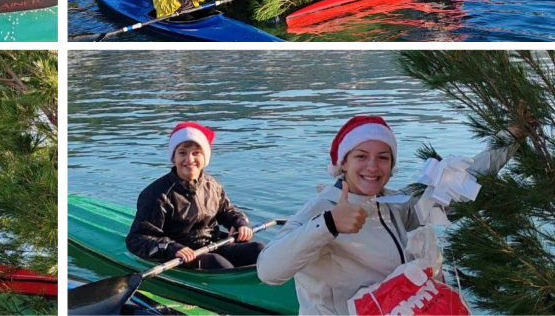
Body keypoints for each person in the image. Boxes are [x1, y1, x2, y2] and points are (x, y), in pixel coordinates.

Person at [256, 114, 529, 315]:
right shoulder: (320, 209)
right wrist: (329, 224)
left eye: (383, 157)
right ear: (343, 163)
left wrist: (511, 138)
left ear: (392, 164)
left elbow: (456, 191)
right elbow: (268, 271)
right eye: (361, 156)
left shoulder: (392, 203)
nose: (372, 167)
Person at [126, 122, 263, 270]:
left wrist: (240, 222)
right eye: (182, 153)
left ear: (205, 158)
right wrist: (172, 248)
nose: (189, 159)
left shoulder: (212, 185)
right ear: (174, 158)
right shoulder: (156, 194)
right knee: (217, 263)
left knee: (259, 249)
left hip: (213, 244)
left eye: (196, 153)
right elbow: (136, 240)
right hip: (181, 255)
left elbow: (227, 211)